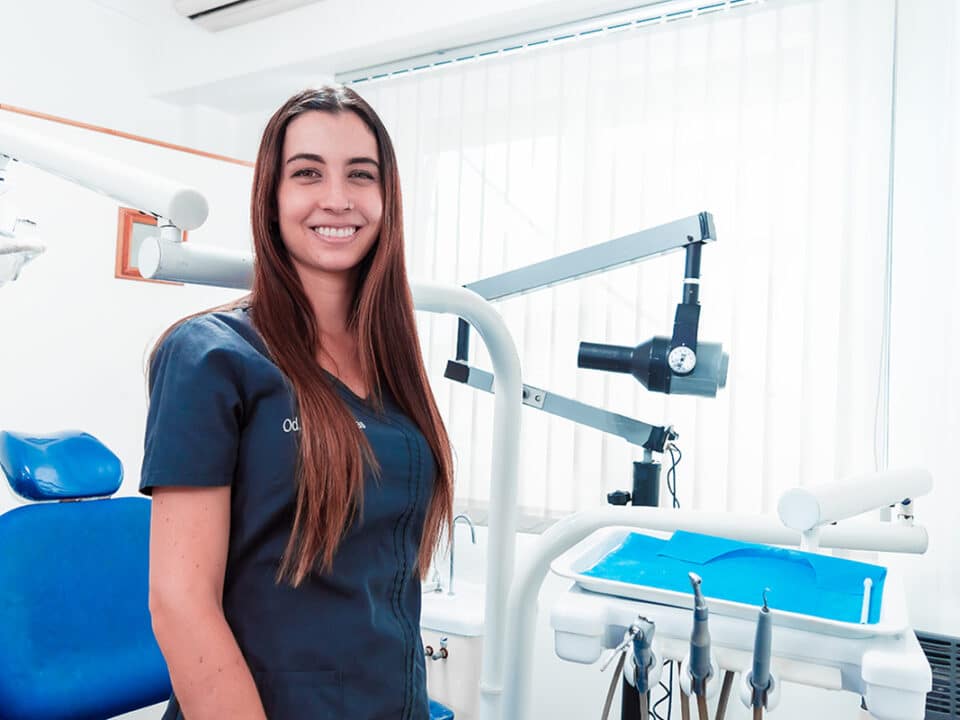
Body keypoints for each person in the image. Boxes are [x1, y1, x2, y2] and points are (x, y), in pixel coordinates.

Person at [141, 85, 454, 720]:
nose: (337, 197)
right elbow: (179, 602)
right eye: (308, 172)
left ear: (385, 199)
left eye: (360, 176)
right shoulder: (211, 357)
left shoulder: (392, 364)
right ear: (273, 196)